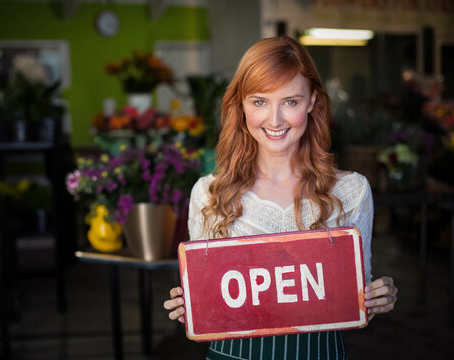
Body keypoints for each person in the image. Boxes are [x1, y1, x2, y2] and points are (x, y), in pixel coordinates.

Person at [163, 36, 398, 359]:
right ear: (241, 105)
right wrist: (190, 306)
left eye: (291, 101)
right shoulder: (209, 193)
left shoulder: (351, 191)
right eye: (259, 101)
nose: (274, 120)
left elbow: (355, 302)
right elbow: (209, 311)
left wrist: (377, 298)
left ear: (313, 101)